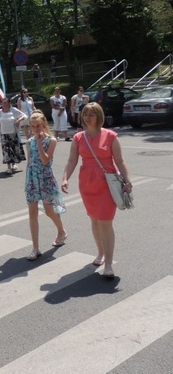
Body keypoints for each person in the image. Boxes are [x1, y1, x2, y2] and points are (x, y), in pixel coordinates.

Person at [61, 102, 133, 279]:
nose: (87, 117)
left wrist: (128, 180)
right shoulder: (78, 137)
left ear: (98, 116)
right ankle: (100, 253)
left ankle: (108, 263)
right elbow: (72, 161)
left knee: (105, 222)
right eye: (85, 114)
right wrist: (64, 178)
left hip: (106, 184)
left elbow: (120, 160)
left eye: (91, 114)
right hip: (87, 184)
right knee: (94, 221)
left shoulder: (110, 136)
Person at [24, 112, 67, 261]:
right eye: (33, 126)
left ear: (44, 125)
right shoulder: (29, 142)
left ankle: (61, 231)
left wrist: (40, 144)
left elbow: (45, 161)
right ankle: (35, 248)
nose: (36, 129)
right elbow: (29, 162)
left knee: (49, 211)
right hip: (32, 179)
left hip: (46, 179)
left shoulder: (51, 140)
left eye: (39, 126)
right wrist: (28, 181)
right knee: (32, 213)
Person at [0, 97, 27, 174]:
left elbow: (24, 116)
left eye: (5, 103)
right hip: (4, 134)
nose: (3, 104)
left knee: (13, 149)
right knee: (6, 151)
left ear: (9, 103)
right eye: (3, 103)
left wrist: (18, 120)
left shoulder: (13, 110)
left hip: (13, 133)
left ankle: (14, 164)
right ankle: (8, 167)